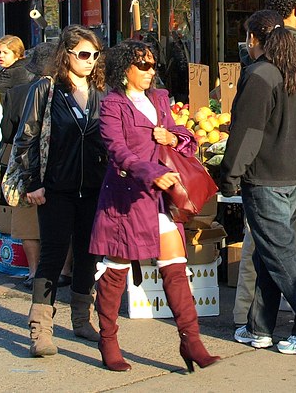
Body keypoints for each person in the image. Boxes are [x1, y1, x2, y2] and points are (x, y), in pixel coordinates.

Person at [90, 40, 221, 373]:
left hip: (164, 199)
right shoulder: (112, 105)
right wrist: (152, 172)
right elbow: (117, 150)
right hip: (126, 198)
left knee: (176, 268)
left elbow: (184, 135)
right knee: (115, 273)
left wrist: (173, 138)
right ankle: (109, 340)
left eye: (153, 65)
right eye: (143, 66)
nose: (151, 72)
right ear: (125, 69)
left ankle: (192, 342)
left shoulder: (160, 99)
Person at [221, 10, 296, 356]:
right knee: (271, 254)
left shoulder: (259, 75)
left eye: (246, 37)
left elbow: (248, 132)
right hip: (295, 173)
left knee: (280, 255)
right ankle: (260, 327)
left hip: (268, 177)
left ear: (255, 39)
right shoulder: (292, 72)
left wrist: (229, 175)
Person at [10, 26, 106, 357]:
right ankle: (40, 328)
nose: (90, 61)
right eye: (83, 54)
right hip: (54, 188)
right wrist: (32, 182)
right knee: (52, 254)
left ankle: (81, 319)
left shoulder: (100, 92)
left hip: (93, 188)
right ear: (66, 54)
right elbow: (27, 137)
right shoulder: (46, 89)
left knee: (87, 254)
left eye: (95, 55)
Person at [0, 41, 59, 290]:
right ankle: (64, 270)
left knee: (27, 220)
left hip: (27, 162)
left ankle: (34, 271)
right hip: (60, 162)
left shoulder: (19, 92)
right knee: (60, 220)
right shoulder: (71, 90)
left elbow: (9, 132)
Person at [0, 35, 33, 119]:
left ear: (17, 54)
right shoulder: (9, 69)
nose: (0, 55)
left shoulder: (18, 71)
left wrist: (0, 98)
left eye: (5, 52)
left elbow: (21, 97)